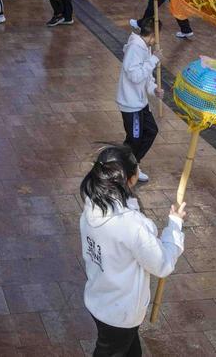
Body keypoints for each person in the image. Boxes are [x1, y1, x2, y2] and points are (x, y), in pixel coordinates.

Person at [80, 145, 185, 357]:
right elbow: (162, 264)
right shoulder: (132, 225)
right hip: (121, 313)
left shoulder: (91, 207)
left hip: (100, 299)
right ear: (130, 179)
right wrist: (174, 226)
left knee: (128, 350)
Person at [116, 25, 162, 183]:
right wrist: (154, 60)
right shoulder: (135, 49)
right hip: (131, 105)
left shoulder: (145, 48)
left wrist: (154, 89)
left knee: (151, 131)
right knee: (134, 139)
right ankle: (126, 168)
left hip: (141, 103)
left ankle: (131, 165)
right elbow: (135, 76)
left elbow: (146, 77)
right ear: (153, 35)